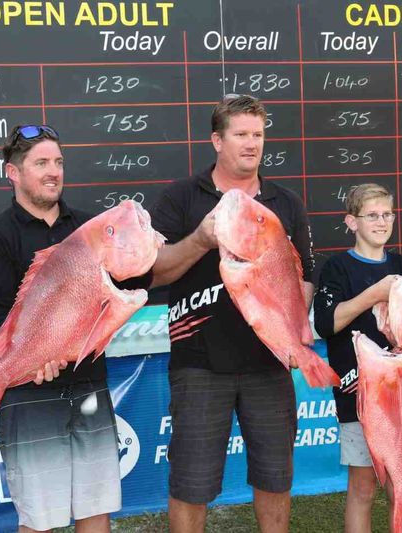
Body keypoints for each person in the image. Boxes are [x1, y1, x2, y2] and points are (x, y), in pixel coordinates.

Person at [0, 124, 148, 532]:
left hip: (88, 385)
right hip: (30, 393)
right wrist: (32, 362)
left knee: (95, 508)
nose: (53, 171)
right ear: (13, 173)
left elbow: (131, 285)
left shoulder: (93, 230)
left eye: (59, 162)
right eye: (41, 163)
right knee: (40, 518)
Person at [150, 94, 314, 533]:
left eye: (258, 134)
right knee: (191, 483)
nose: (251, 144)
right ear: (216, 141)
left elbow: (305, 278)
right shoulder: (182, 198)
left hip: (269, 364)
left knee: (275, 478)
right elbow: (152, 273)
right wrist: (200, 241)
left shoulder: (286, 203)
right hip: (199, 364)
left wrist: (294, 329)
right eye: (240, 134)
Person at [313, 183, 402, 533]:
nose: (381, 221)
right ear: (351, 222)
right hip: (358, 397)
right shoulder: (337, 268)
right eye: (371, 215)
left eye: (387, 214)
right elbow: (326, 324)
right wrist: (375, 293)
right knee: (363, 486)